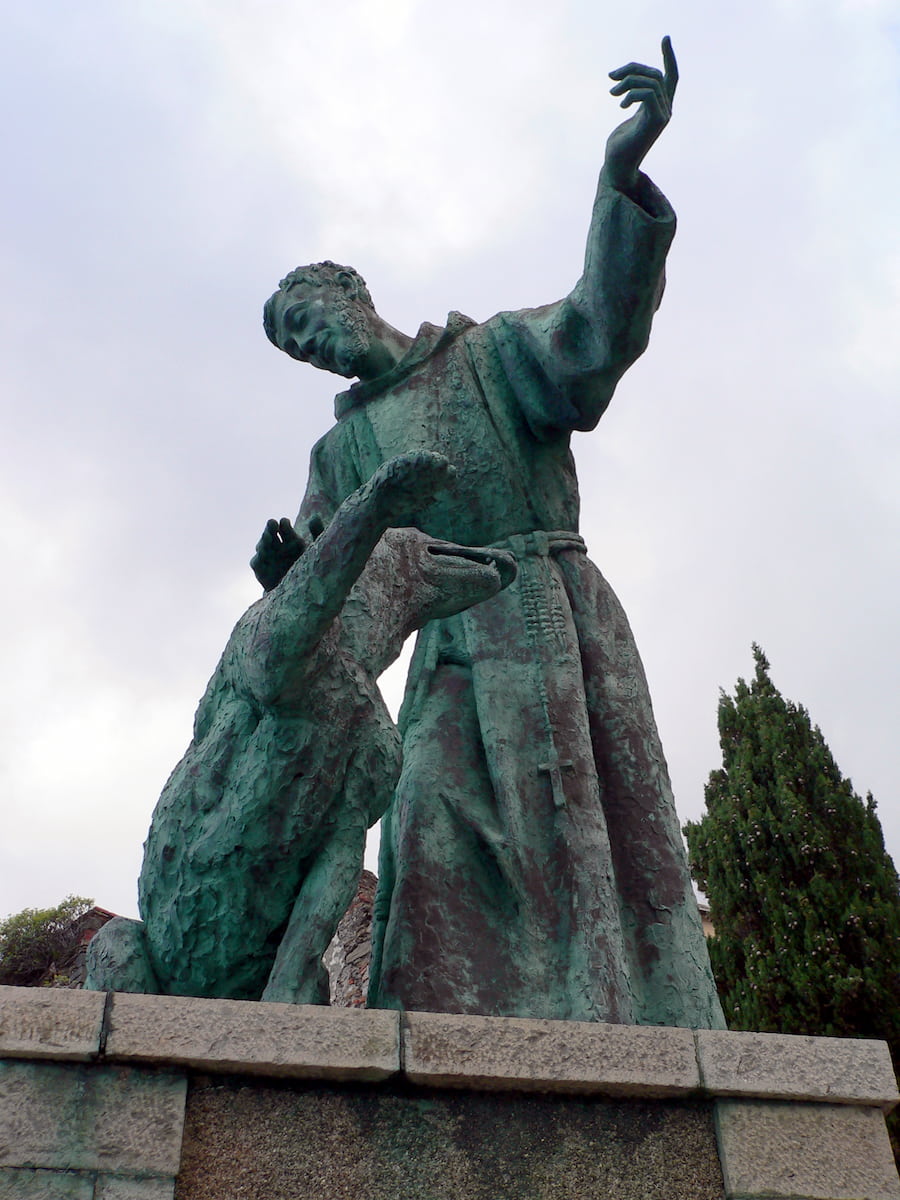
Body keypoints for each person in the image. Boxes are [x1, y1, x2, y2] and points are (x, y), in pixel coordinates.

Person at [259, 39, 725, 1027]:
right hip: (449, 655)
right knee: (424, 819)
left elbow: (596, 333)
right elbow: (320, 603)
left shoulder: (491, 354)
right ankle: (435, 1049)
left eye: (311, 319)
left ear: (352, 296)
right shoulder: (339, 457)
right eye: (298, 346)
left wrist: (619, 174)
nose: (315, 345)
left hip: (556, 622)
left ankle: (612, 1033)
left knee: (585, 843)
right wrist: (288, 578)